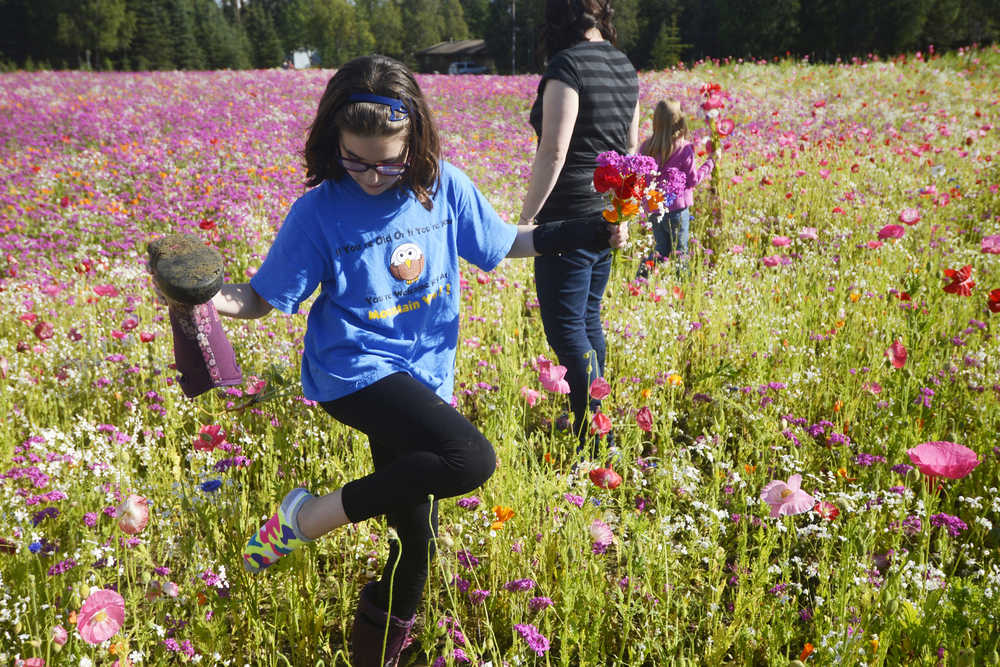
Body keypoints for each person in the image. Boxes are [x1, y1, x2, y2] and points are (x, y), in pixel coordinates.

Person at [152, 54, 625, 667]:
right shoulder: (319, 211)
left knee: (416, 539)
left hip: (424, 371)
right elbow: (261, 300)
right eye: (355, 159)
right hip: (353, 373)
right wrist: (203, 292)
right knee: (471, 459)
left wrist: (581, 230)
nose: (372, 176)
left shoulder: (443, 186)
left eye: (388, 160)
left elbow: (505, 242)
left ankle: (379, 653)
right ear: (334, 142)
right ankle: (311, 515)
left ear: (417, 141)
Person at [517, 0, 639, 453]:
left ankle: (591, 429)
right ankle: (594, 420)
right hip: (603, 216)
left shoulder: (567, 66)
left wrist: (527, 219)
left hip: (566, 215)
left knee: (567, 329)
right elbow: (630, 150)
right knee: (589, 319)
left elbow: (554, 151)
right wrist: (622, 214)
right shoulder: (623, 65)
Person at [637, 99, 718, 278]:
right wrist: (711, 162)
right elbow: (692, 181)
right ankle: (683, 288)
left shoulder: (646, 147)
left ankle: (640, 278)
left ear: (655, 121)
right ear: (680, 121)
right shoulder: (684, 149)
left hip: (654, 207)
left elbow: (641, 179)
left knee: (661, 250)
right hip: (677, 210)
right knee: (680, 252)